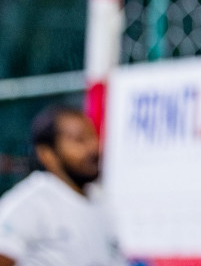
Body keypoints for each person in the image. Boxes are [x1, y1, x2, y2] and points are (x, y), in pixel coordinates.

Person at [0, 106, 125, 266]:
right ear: (47, 154)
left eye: (94, 137)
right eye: (79, 140)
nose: (93, 147)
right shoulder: (29, 204)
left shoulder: (101, 200)